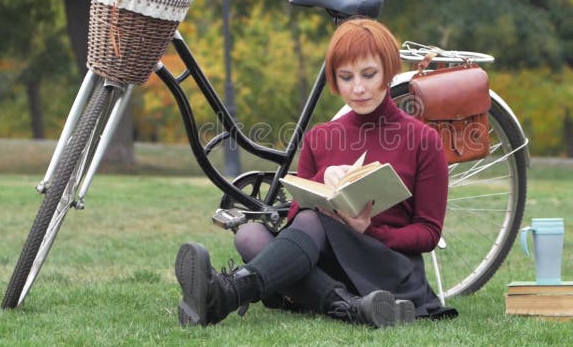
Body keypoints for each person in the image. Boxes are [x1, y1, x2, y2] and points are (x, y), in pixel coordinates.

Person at [174, 18, 457, 329]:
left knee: (307, 222)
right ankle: (349, 307)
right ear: (334, 80)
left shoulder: (423, 140)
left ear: (389, 72)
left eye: (369, 74)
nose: (358, 88)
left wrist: (369, 231)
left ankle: (229, 293)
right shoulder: (320, 137)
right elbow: (296, 217)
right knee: (249, 234)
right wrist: (322, 185)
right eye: (346, 77)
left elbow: (428, 233)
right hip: (328, 261)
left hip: (384, 265)